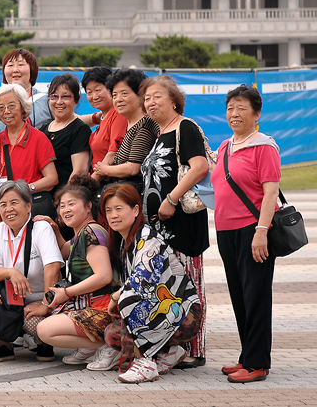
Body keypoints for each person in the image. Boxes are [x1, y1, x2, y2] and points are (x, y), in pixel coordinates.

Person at [211, 85, 280, 383]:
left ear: (256, 113)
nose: (234, 113)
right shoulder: (226, 146)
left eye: (241, 107)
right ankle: (246, 355)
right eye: (230, 108)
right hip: (226, 231)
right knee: (240, 295)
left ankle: (257, 363)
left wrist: (261, 231)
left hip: (253, 230)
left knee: (256, 295)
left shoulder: (264, 146)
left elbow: (270, 192)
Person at [141, 74, 210, 369]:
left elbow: (200, 166)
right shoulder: (160, 133)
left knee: (191, 284)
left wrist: (170, 200)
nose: (150, 102)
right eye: (146, 98)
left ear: (173, 99)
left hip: (182, 222)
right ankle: (177, 345)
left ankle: (197, 349)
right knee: (172, 287)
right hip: (161, 227)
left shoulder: (185, 127)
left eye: (157, 96)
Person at [103, 183, 202, 383]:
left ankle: (146, 362)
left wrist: (116, 297)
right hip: (165, 311)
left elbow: (140, 280)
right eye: (108, 210)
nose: (113, 215)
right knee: (112, 333)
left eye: (119, 209)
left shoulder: (148, 239)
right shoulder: (125, 240)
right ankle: (170, 352)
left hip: (184, 313)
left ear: (136, 210)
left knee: (130, 298)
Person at [34, 175, 115, 366]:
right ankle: (92, 345)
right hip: (91, 303)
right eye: (62, 206)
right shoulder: (82, 232)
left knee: (45, 330)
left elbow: (104, 276)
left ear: (88, 207)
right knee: (47, 321)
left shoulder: (91, 233)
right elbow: (64, 251)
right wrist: (53, 228)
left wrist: (67, 293)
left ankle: (110, 344)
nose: (65, 210)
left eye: (71, 204)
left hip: (102, 308)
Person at [0, 180, 63, 363]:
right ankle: (4, 345)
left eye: (14, 202)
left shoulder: (40, 227)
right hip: (10, 301)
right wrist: (11, 272)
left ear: (28, 205)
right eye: (3, 204)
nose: (8, 209)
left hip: (38, 300)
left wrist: (45, 303)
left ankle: (43, 342)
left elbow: (53, 266)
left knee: (42, 328)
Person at [0, 83, 58, 219]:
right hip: (4, 212)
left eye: (11, 105)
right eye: (1, 107)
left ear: (23, 107)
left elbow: (52, 179)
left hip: (31, 209)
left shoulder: (38, 138)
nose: (6, 111)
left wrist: (24, 189)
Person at [93, 69, 158, 191]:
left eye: (124, 93)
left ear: (140, 95)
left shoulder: (145, 124)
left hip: (135, 195)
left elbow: (133, 168)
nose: (118, 99)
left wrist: (103, 169)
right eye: (115, 95)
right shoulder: (131, 125)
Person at [78, 66, 127, 182]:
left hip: (110, 183)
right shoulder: (104, 117)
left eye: (98, 90)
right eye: (89, 92)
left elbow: (113, 154)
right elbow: (75, 121)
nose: (94, 96)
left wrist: (89, 185)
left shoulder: (118, 114)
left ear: (111, 88)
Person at [0, 49, 50, 128]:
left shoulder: (47, 102)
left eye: (21, 65)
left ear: (32, 69)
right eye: (10, 65)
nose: (15, 70)